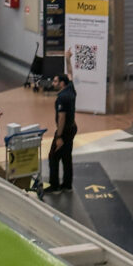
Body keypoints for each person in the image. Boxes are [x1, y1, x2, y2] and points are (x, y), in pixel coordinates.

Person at [45, 48, 77, 194]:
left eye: (56, 81)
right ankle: (67, 184)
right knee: (66, 156)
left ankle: (55, 185)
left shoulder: (62, 98)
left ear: (62, 83)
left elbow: (62, 118)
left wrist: (59, 136)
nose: (54, 82)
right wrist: (68, 59)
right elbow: (70, 74)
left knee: (53, 156)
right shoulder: (70, 89)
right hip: (73, 127)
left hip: (64, 130)